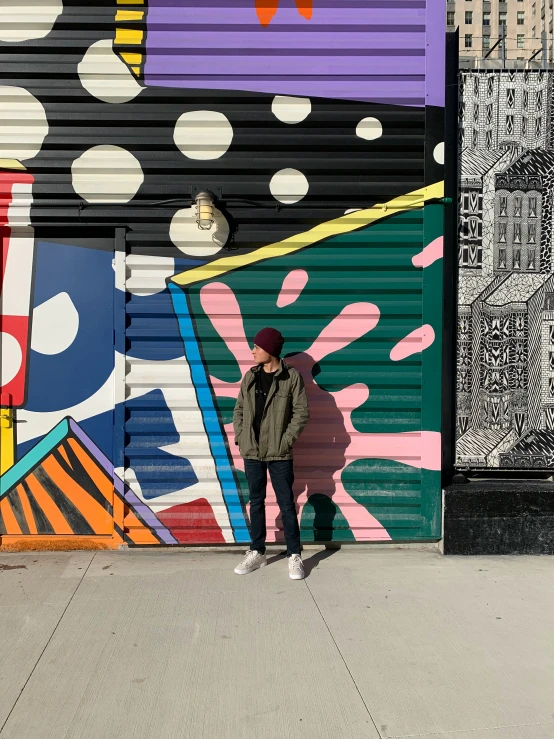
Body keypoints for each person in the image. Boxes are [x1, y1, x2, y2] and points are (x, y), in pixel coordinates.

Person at [233, 327, 309, 579]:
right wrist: (242, 438)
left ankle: (294, 554)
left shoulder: (291, 377)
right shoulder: (250, 376)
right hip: (252, 451)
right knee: (256, 502)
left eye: (257, 346)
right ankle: (257, 551)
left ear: (270, 350)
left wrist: (286, 441)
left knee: (286, 503)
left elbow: (301, 413)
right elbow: (239, 410)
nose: (253, 351)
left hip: (279, 452)